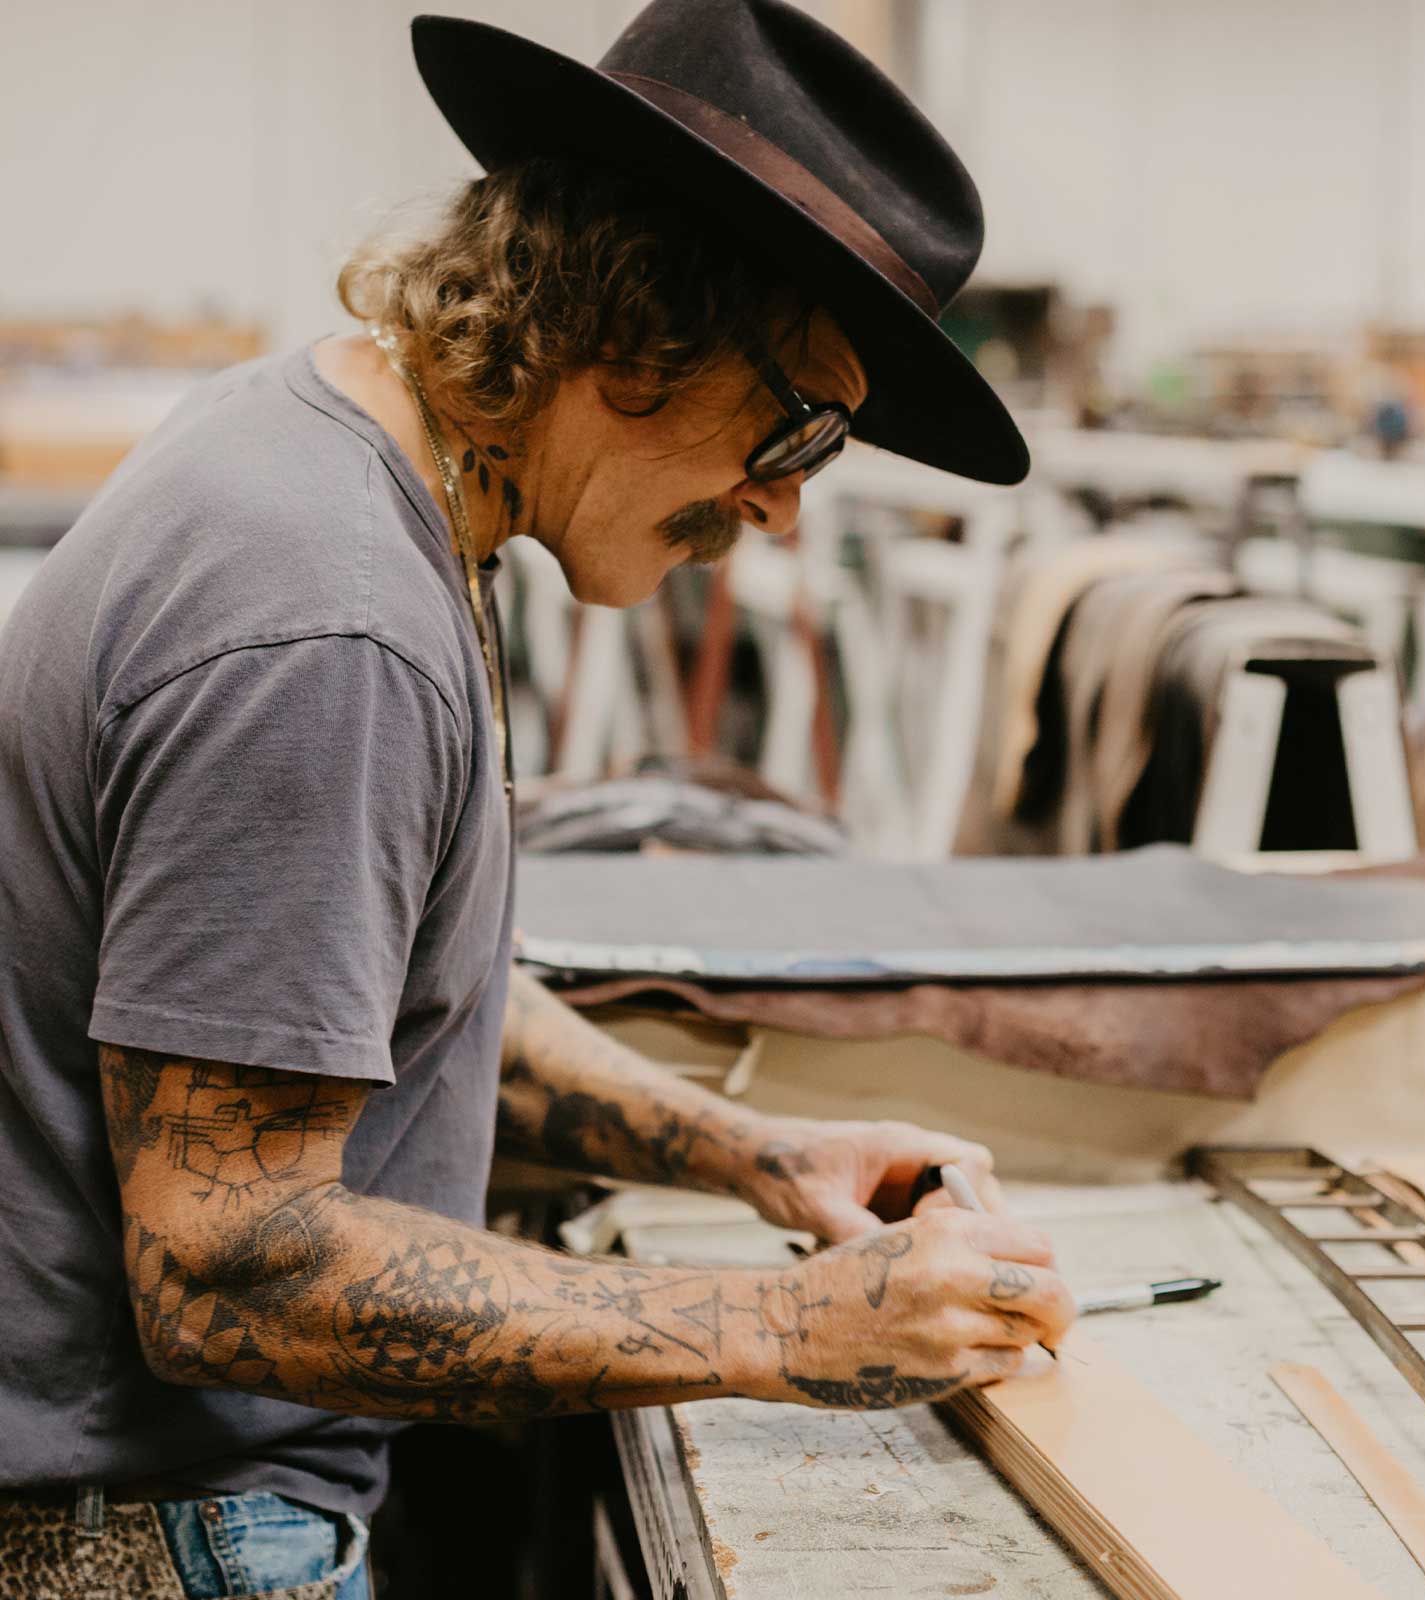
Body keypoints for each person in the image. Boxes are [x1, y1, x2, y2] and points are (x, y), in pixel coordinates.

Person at [0, 2, 1070, 1594]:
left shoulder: (345, 460)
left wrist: (749, 1156)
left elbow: (370, 999)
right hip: (151, 1542)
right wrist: (789, 1325)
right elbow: (227, 1268)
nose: (783, 503)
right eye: (805, 424)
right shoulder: (331, 621)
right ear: (639, 322)